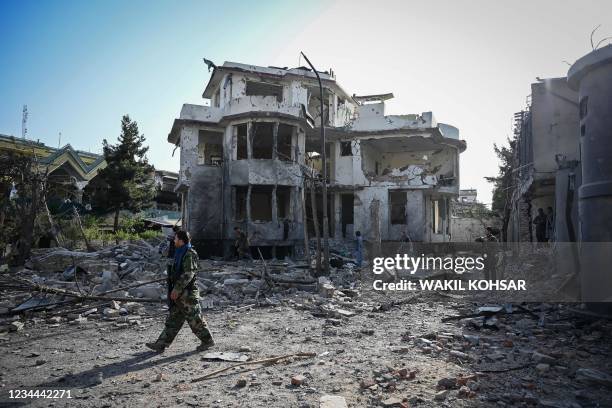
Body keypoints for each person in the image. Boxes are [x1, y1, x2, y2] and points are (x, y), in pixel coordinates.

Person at [146, 230, 215, 352]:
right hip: (180, 294)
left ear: (181, 241)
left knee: (195, 319)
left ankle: (207, 341)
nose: (174, 240)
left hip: (187, 294)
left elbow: (188, 273)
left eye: (176, 239)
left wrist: (177, 289)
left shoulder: (189, 253)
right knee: (173, 320)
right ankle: (161, 343)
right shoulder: (180, 252)